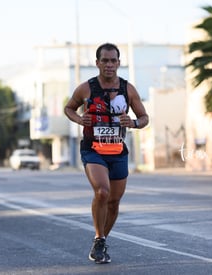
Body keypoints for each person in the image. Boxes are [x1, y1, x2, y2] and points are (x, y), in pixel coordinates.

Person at [64, 43, 149, 264]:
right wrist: (79, 119)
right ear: (97, 63)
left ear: (119, 63)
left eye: (113, 61)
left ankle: (100, 241)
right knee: (102, 191)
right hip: (93, 149)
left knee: (113, 202)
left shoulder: (128, 89)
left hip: (118, 150)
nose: (109, 65)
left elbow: (144, 117)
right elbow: (69, 108)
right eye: (105, 60)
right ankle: (100, 237)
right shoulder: (86, 88)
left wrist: (133, 122)